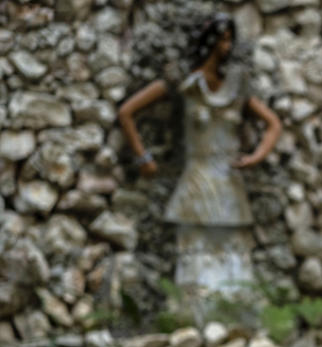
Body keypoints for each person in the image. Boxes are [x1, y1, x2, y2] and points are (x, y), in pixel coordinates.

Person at [117, 13, 281, 297]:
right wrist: (143, 157)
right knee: (194, 252)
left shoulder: (237, 85)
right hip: (196, 177)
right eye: (222, 38)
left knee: (232, 253)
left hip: (229, 180)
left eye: (230, 38)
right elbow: (127, 112)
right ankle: (192, 315)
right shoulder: (182, 80)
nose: (227, 46)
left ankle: (234, 313)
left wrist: (256, 156)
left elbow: (273, 124)